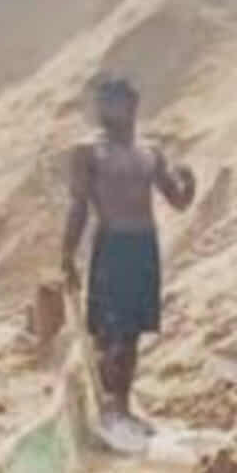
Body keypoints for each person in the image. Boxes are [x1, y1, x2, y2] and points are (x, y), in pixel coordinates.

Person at [62, 75, 196, 437]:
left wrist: (190, 184)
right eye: (101, 102)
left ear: (132, 105)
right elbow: (78, 206)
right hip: (112, 244)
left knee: (133, 332)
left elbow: (177, 201)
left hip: (143, 246)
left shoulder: (150, 152)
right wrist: (67, 254)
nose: (104, 109)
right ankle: (105, 406)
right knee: (109, 331)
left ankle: (121, 405)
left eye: (113, 101)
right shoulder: (88, 151)